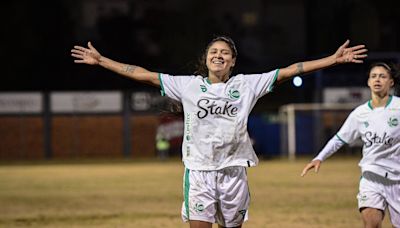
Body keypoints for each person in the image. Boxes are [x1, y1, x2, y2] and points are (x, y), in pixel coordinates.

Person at [71, 36, 367, 228]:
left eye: (225, 52)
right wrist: (102, 61)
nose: (219, 55)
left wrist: (332, 59)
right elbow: (142, 73)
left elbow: (292, 70)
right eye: (214, 51)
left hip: (234, 171)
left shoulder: (247, 85)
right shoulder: (187, 85)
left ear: (233, 61)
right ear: (207, 58)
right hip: (198, 171)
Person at [301, 62, 400, 228]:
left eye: (382, 76)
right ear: (368, 82)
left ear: (391, 83)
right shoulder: (360, 114)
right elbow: (339, 138)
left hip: (397, 180)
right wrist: (319, 158)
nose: (377, 80)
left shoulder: (398, 107)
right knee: (371, 224)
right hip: (371, 178)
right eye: (373, 76)